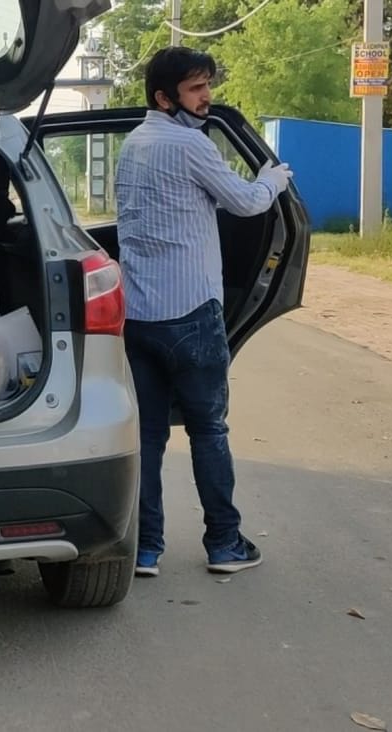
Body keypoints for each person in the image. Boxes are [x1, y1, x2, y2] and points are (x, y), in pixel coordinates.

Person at [114, 47, 293, 577]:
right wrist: (273, 179)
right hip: (191, 313)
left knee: (147, 435)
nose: (206, 97)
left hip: (139, 316)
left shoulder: (133, 146)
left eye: (206, 86)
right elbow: (245, 203)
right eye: (195, 89)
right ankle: (224, 544)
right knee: (209, 430)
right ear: (164, 97)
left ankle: (145, 550)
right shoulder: (188, 144)